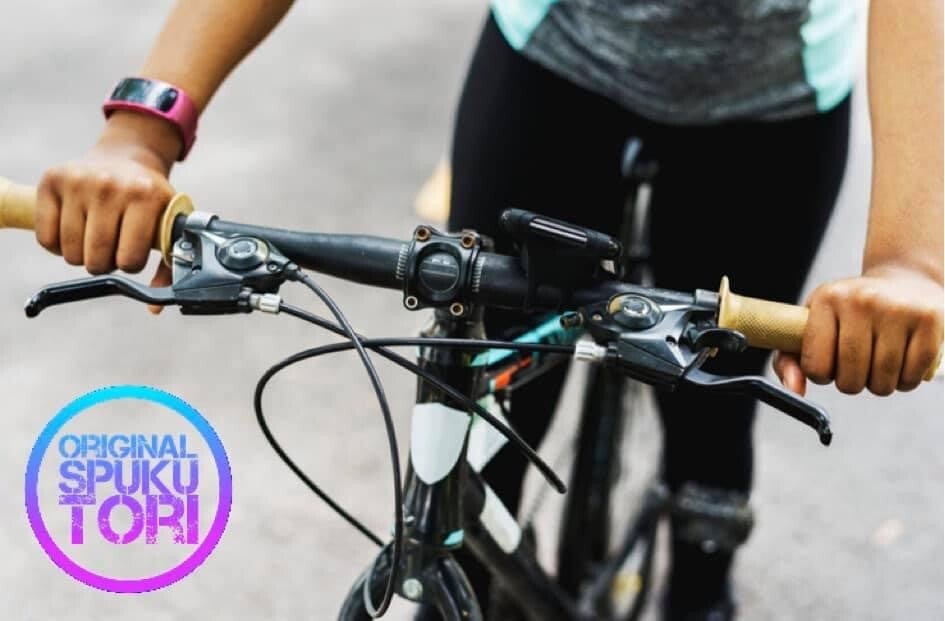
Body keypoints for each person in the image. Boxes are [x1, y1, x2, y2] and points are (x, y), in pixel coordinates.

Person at [32, 1, 943, 619]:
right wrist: (141, 132)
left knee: (714, 399)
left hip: (770, 109)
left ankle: (704, 570)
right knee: (482, 419)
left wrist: (907, 264)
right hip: (552, 65)